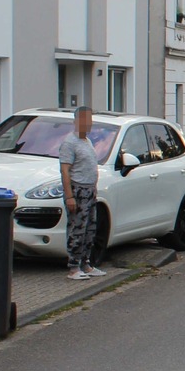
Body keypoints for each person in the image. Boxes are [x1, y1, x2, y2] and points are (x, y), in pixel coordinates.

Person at [59, 106, 106, 280]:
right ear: (76, 121)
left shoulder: (87, 141)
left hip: (90, 190)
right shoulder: (69, 143)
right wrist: (69, 196)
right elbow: (65, 171)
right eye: (84, 121)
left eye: (90, 121)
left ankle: (86, 264)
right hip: (77, 191)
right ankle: (73, 267)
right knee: (77, 229)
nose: (88, 124)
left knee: (90, 228)